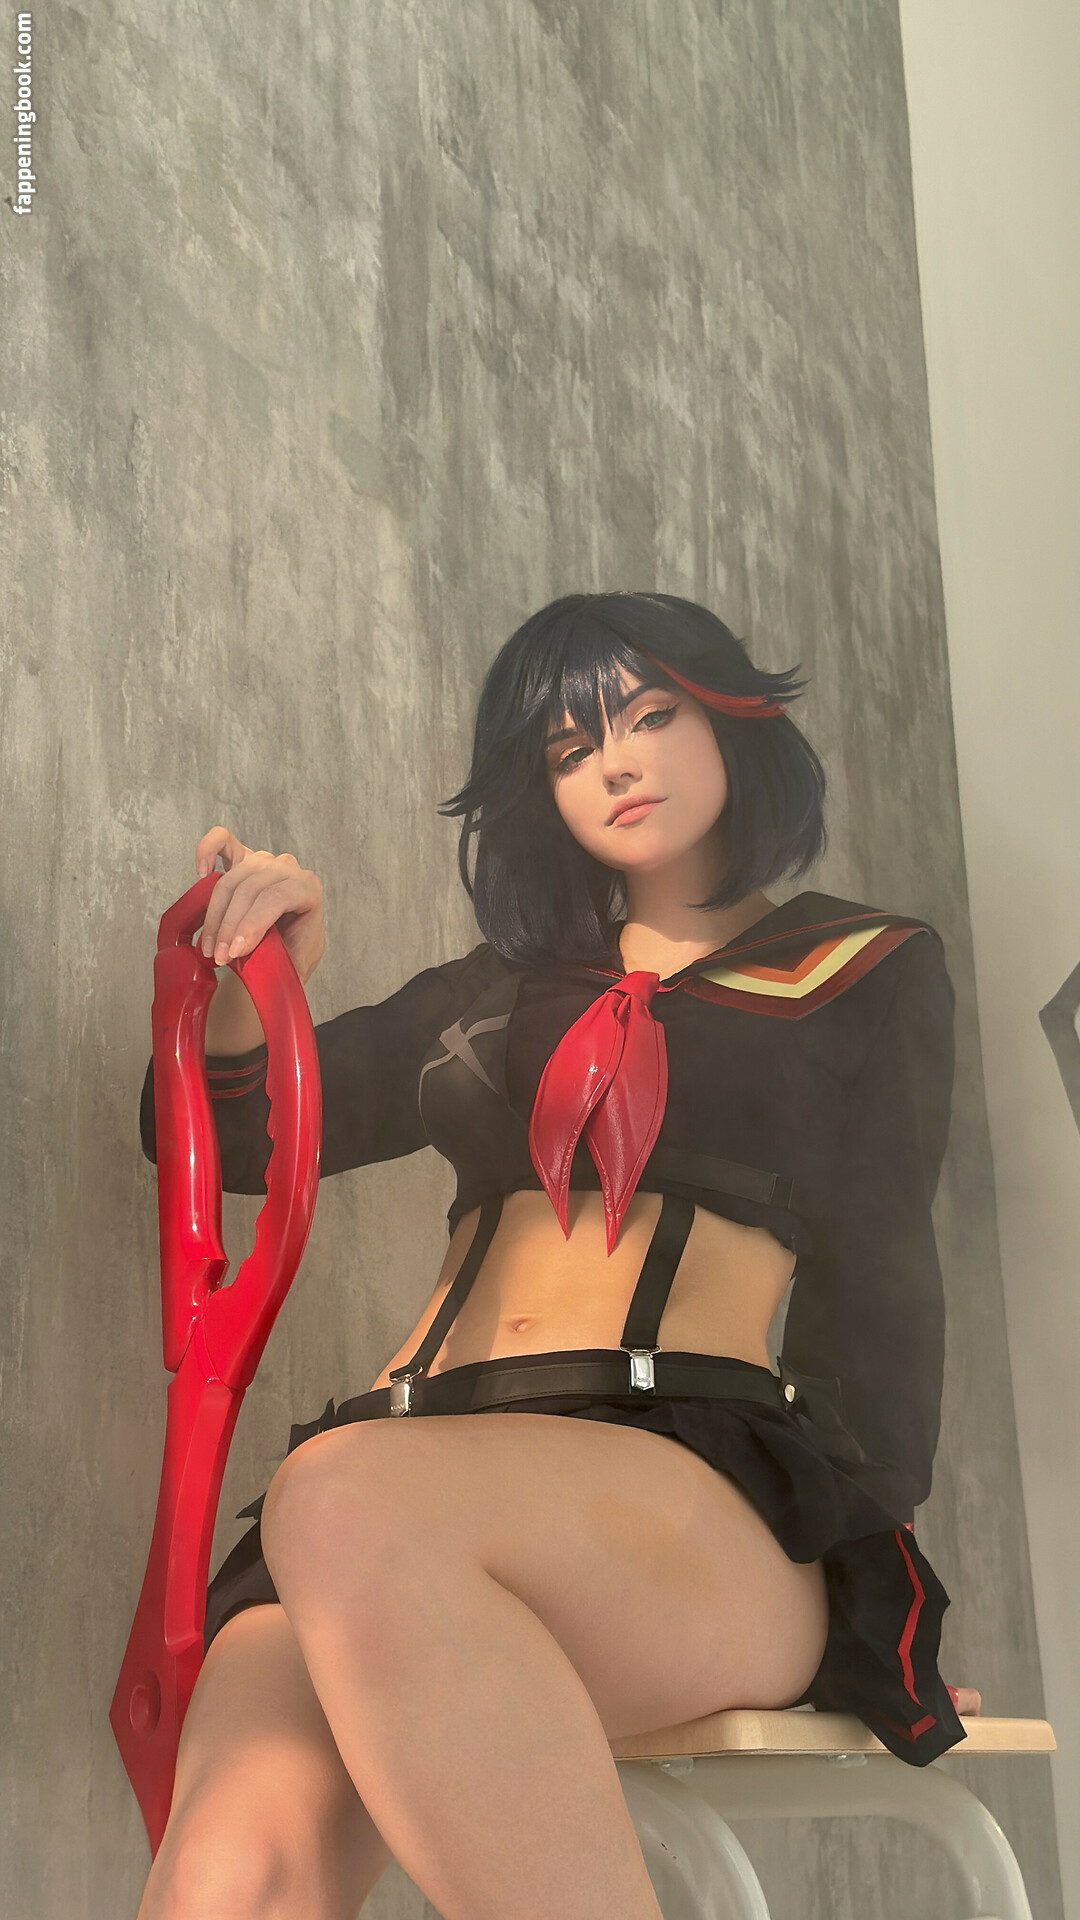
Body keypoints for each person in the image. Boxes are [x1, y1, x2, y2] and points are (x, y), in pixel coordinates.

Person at [135, 591, 966, 1920]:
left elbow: (882, 1291)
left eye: (651, 716)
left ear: (730, 718)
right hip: (397, 1480)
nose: (617, 764)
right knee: (232, 1877)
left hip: (689, 1489)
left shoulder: (863, 969)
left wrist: (889, 1605)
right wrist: (255, 979)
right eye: (574, 749)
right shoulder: (494, 990)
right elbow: (222, 1137)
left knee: (336, 1494)